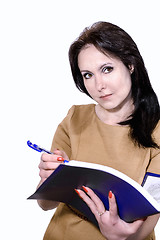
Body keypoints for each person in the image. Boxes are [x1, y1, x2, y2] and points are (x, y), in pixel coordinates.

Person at [37, 22, 160, 240]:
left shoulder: (156, 129)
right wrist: (51, 178)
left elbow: (151, 214)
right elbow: (45, 204)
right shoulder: (75, 118)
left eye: (107, 69)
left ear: (130, 64)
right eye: (87, 75)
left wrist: (124, 236)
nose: (98, 85)